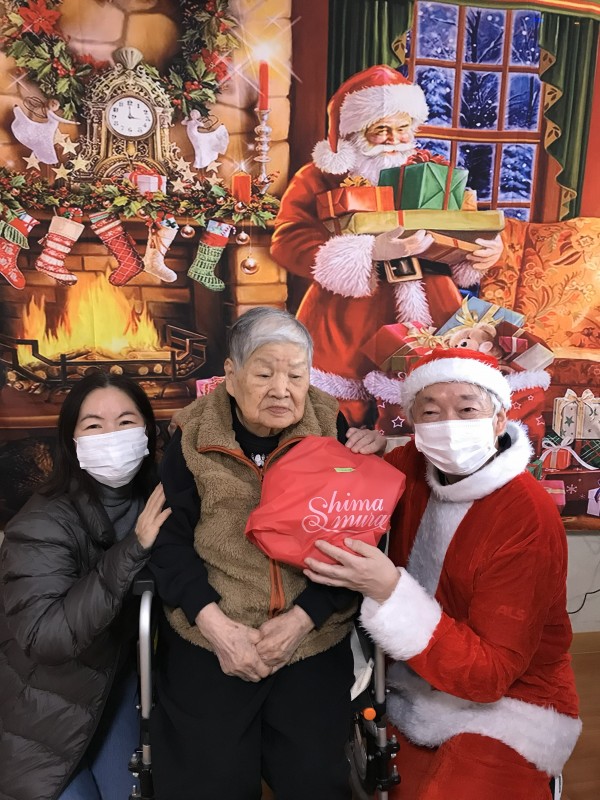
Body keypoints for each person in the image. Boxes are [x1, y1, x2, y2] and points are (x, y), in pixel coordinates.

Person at [304, 348, 581, 800]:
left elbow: (491, 676)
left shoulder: (526, 514)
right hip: (407, 682)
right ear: (414, 423)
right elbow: (351, 486)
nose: (448, 426)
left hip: (511, 699)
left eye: (467, 410)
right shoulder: (413, 466)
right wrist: (369, 451)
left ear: (498, 420)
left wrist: (389, 592)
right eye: (431, 413)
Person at [148, 306, 386, 800]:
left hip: (311, 635)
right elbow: (169, 542)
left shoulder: (331, 428)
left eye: (296, 375)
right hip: (210, 632)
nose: (282, 389)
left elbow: (356, 540)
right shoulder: (192, 438)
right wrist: (217, 627)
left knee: (314, 780)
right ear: (231, 375)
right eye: (264, 373)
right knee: (207, 782)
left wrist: (302, 619)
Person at [271, 65, 503, 427]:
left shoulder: (432, 170)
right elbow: (287, 239)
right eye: (381, 129)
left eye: (402, 127)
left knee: (439, 402)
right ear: (355, 130)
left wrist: (482, 252)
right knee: (335, 417)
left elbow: (462, 227)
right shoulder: (318, 176)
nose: (394, 139)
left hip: (431, 304)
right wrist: (369, 253)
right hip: (347, 316)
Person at [0, 371, 171, 800]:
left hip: (118, 683)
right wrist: (133, 548)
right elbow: (46, 637)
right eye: (94, 425)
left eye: (126, 421)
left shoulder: (157, 497)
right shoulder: (41, 521)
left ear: (148, 432)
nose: (112, 436)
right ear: (72, 441)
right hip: (45, 699)